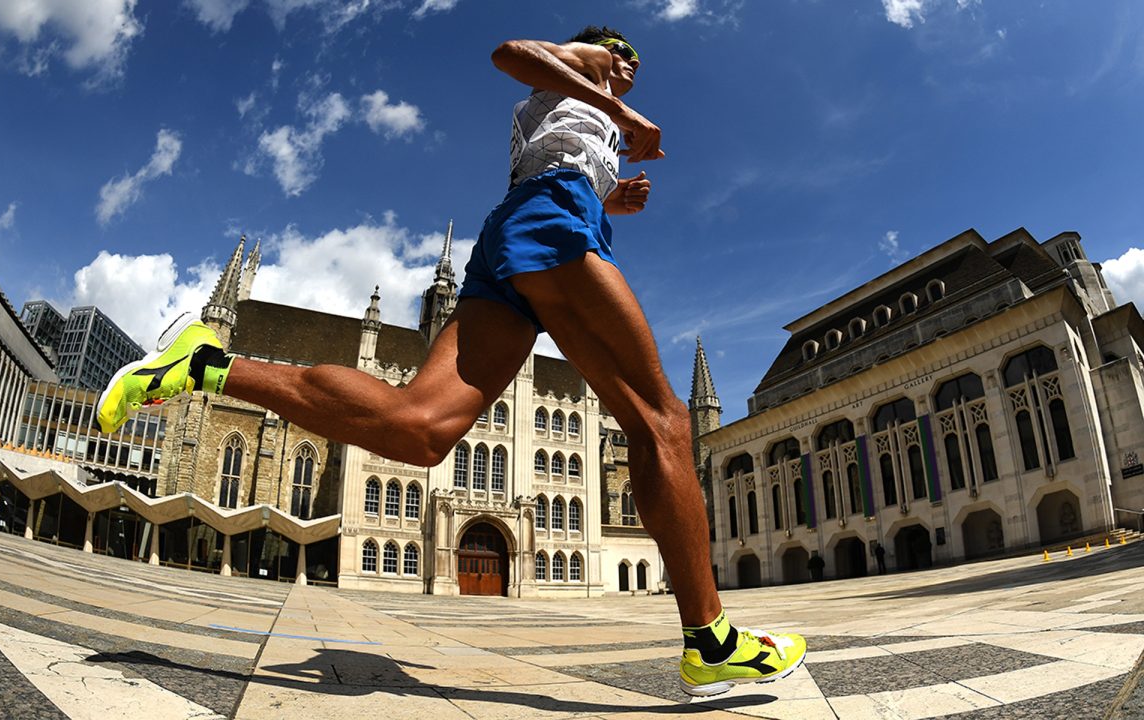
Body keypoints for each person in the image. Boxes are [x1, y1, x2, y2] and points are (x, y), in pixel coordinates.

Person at [96, 25, 806, 696]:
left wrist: (610, 196)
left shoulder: (573, 111)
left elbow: (549, 157)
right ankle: (710, 641)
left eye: (633, 65)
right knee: (664, 421)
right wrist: (615, 104)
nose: (628, 65)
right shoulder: (584, 67)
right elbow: (510, 53)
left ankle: (209, 365)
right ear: (597, 50)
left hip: (527, 228)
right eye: (621, 52)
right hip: (550, 218)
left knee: (421, 428)